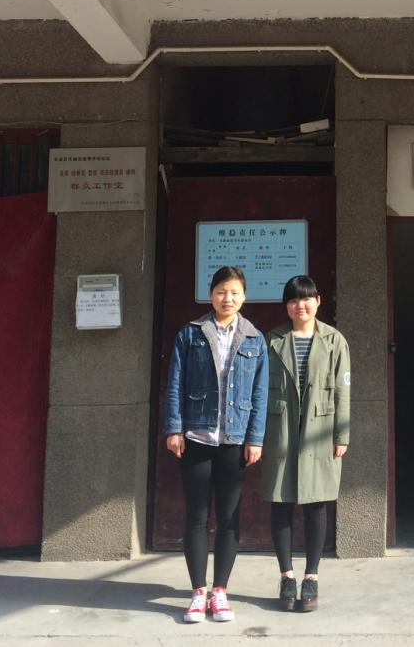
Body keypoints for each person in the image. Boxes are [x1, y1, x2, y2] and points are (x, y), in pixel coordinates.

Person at [163, 265, 268, 624]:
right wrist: (174, 429)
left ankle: (220, 591)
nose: (228, 298)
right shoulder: (190, 334)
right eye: (222, 291)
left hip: (234, 441)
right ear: (211, 294)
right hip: (197, 436)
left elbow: (260, 394)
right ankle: (197, 592)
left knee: (228, 517)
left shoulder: (254, 338)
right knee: (196, 516)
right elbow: (175, 383)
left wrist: (255, 438)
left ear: (244, 296)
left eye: (235, 292)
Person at [261, 275, 351, 613]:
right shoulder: (273, 340)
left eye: (307, 298)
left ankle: (311, 576)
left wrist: (341, 435)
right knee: (281, 501)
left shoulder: (334, 340)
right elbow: (259, 389)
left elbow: (343, 390)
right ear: (286, 305)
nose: (301, 305)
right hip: (280, 428)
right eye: (294, 299)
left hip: (320, 429)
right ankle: (286, 576)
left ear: (318, 301)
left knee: (316, 502)